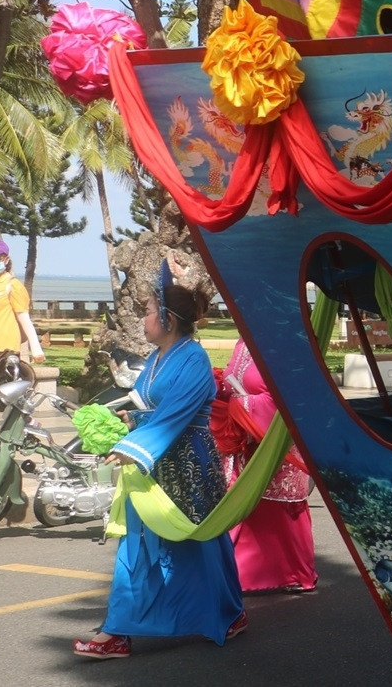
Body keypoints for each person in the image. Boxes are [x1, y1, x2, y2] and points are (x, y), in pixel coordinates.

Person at [75, 258, 244, 659]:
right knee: (136, 545)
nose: (144, 319)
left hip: (189, 466)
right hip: (154, 467)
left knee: (203, 544)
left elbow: (177, 414)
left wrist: (133, 446)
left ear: (167, 319)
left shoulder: (193, 359)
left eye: (149, 312)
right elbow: (155, 408)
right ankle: (117, 631)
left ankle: (229, 612)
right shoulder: (156, 358)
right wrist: (128, 419)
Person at [216, 340, 317, 593]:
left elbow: (287, 398)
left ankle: (292, 574)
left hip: (277, 444)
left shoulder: (282, 341)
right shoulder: (243, 342)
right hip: (246, 445)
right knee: (245, 508)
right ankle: (236, 574)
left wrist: (240, 406)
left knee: (277, 510)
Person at [0, 239, 44, 449]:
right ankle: (28, 422)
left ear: (6, 259)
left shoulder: (12, 286)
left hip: (5, 346)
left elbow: (24, 318)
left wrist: (35, 347)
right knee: (6, 388)